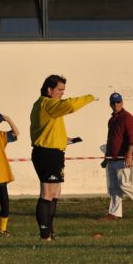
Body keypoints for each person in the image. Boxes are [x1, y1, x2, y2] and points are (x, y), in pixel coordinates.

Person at [30, 74, 96, 241]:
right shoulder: (47, 103)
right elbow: (70, 105)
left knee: (55, 192)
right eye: (60, 90)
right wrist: (89, 97)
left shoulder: (48, 107)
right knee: (47, 192)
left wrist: (66, 140)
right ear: (49, 90)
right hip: (46, 153)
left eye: (63, 90)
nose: (62, 93)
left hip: (55, 152)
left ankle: (50, 232)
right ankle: (45, 235)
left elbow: (47, 130)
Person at [100, 92, 133, 220]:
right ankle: (114, 213)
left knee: (125, 183)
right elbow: (110, 140)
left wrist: (129, 155)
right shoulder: (112, 119)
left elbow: (131, 138)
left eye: (118, 102)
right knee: (113, 187)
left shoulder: (127, 117)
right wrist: (106, 158)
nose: (116, 105)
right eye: (113, 102)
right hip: (112, 158)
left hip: (122, 158)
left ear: (122, 103)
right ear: (110, 104)